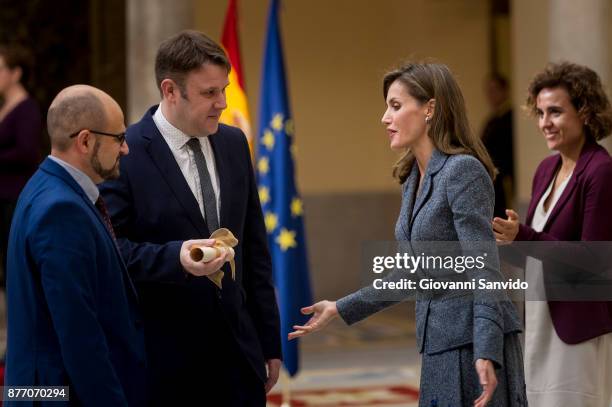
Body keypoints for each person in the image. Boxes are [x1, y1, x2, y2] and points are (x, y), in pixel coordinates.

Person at [289, 63, 526, 407]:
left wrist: (486, 351)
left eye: (396, 106)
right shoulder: (412, 177)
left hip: (471, 345)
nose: (385, 117)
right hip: (437, 344)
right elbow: (410, 274)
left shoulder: (463, 171)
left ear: (430, 108)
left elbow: (484, 269)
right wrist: (340, 308)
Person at [99, 30, 281, 406]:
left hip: (239, 359)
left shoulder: (233, 143)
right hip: (165, 365)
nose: (222, 103)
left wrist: (268, 342)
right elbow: (110, 252)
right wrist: (176, 258)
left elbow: (255, 249)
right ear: (170, 91)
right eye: (209, 93)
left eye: (224, 89)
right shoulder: (126, 153)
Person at [5, 85, 146, 406]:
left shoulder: (44, 184)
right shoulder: (61, 210)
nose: (125, 149)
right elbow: (79, 335)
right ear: (85, 140)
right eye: (119, 138)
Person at [493, 62, 612, 407]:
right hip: (540, 319)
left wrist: (525, 237)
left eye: (556, 112)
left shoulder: (601, 171)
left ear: (585, 112)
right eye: (540, 112)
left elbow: (594, 259)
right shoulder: (547, 169)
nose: (544, 122)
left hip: (578, 328)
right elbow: (534, 252)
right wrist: (504, 238)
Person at [0, 44, 42, 284]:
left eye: (1, 69)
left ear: (16, 73)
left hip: (14, 197)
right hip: (3, 196)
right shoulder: (4, 106)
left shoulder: (26, 108)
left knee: (12, 261)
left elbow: (26, 153)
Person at [481, 73, 514, 218]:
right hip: (490, 178)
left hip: (503, 179)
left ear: (505, 91)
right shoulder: (491, 120)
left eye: (495, 90)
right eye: (489, 91)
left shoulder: (511, 118)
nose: (491, 95)